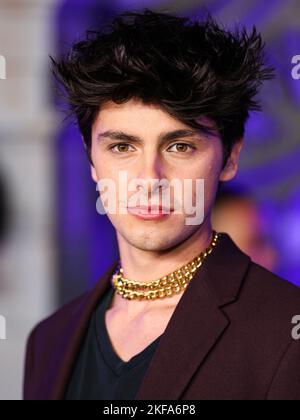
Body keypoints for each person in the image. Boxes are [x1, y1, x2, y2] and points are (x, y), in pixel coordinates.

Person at [23, 9, 300, 400]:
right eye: (122, 147)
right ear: (91, 159)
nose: (149, 179)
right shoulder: (48, 341)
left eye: (180, 146)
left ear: (230, 157)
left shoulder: (285, 332)